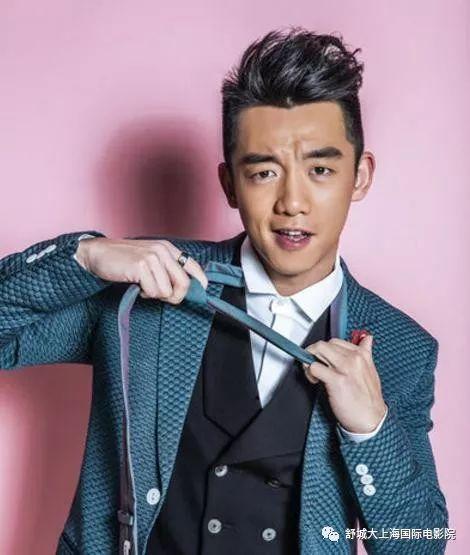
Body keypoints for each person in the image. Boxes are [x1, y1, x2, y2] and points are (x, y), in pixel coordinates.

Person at [0, 28, 448, 554]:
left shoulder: (402, 348)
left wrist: (370, 429)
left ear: (361, 176)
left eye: (321, 169)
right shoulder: (150, 284)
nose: (293, 202)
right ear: (230, 183)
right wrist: (84, 256)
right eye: (264, 172)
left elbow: (421, 544)